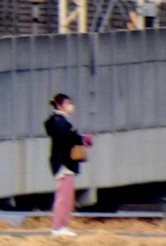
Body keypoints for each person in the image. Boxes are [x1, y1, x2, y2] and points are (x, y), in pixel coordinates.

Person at [45, 93, 93, 237]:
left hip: (67, 163)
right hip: (63, 163)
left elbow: (69, 136)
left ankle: (62, 226)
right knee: (63, 197)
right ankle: (57, 227)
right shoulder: (57, 120)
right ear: (60, 105)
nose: (71, 106)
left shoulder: (62, 121)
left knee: (67, 197)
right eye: (68, 103)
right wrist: (80, 139)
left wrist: (81, 139)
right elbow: (65, 137)